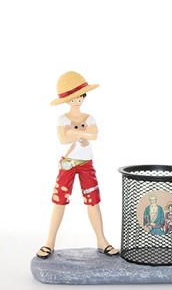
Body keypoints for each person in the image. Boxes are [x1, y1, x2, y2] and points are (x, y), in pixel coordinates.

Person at [36, 71, 119, 259]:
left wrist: (73, 131)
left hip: (86, 164)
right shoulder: (62, 119)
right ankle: (49, 241)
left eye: (80, 96)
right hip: (68, 164)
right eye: (72, 98)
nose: (77, 101)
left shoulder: (89, 117)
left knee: (93, 200)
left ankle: (101, 240)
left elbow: (94, 135)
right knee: (59, 200)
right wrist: (82, 132)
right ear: (67, 101)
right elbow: (63, 139)